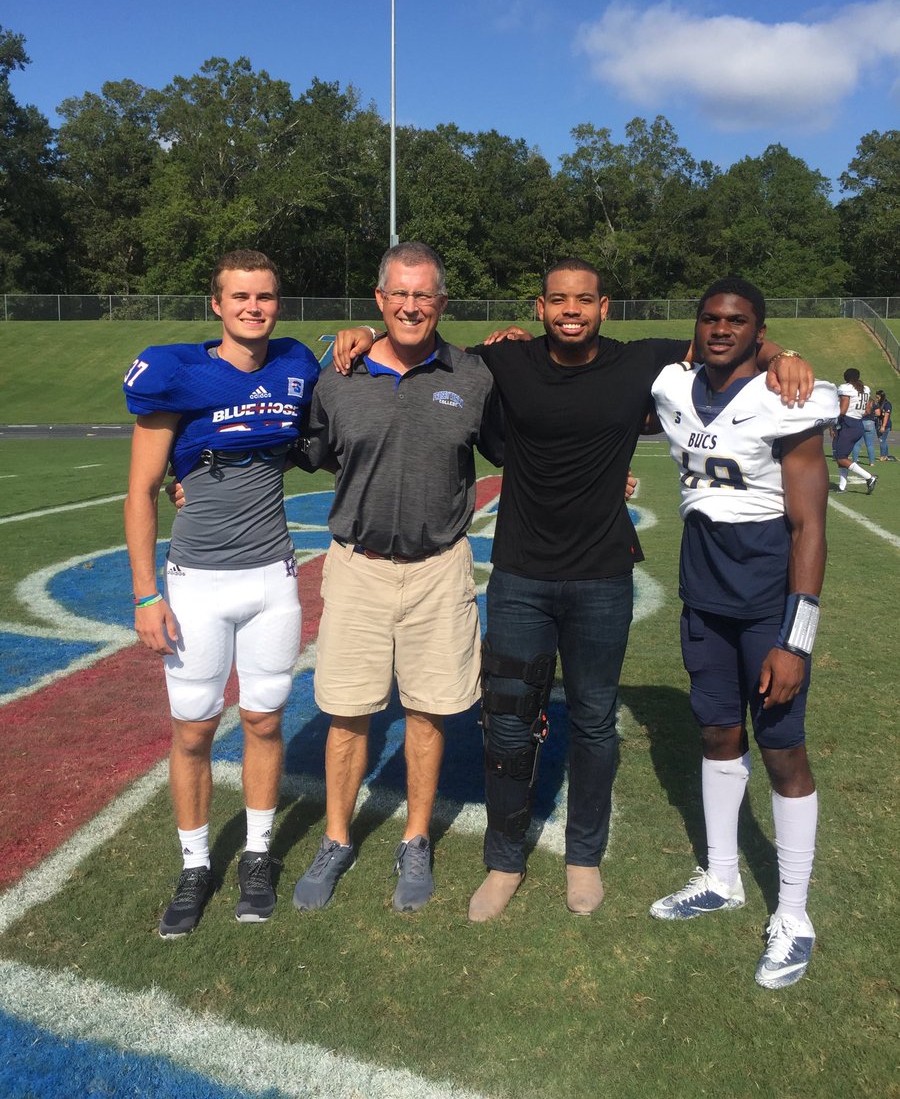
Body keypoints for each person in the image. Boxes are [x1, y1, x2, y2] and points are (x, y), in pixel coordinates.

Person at [335, 258, 813, 922]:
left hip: (602, 577)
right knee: (507, 724)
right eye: (558, 300)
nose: (571, 310)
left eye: (583, 300)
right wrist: (363, 331)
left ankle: (584, 857)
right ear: (540, 307)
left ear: (603, 307)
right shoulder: (507, 361)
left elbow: (725, 336)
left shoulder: (640, 361)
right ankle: (504, 862)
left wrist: (782, 353)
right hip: (520, 576)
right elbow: (420, 342)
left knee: (593, 723)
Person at [291, 241, 504, 914]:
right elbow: (293, 445)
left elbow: (526, 440)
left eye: (424, 295)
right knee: (347, 712)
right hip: (359, 568)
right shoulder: (339, 375)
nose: (411, 306)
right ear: (380, 300)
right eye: (399, 294)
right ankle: (336, 838)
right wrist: (188, 472)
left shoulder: (474, 375)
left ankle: (415, 838)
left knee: (428, 710)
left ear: (442, 302)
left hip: (439, 568)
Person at [648, 278, 838, 989]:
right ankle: (722, 878)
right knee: (717, 735)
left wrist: (796, 639)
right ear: (695, 325)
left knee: (784, 751)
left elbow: (810, 527)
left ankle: (794, 914)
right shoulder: (671, 385)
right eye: (710, 318)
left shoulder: (788, 399)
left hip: (767, 608)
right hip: (704, 599)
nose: (721, 329)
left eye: (737, 320)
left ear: (759, 330)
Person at [124, 250, 319, 937]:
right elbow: (142, 490)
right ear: (217, 304)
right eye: (240, 297)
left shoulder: (295, 364)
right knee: (195, 729)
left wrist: (356, 335)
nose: (253, 308)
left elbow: (337, 365)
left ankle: (258, 855)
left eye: (264, 296)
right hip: (198, 584)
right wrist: (145, 595)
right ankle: (195, 863)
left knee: (264, 720)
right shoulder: (178, 374)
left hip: (272, 579)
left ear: (278, 304)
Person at [832, 368, 877, 493]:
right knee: (842, 457)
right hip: (857, 423)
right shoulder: (864, 389)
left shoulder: (846, 388)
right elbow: (868, 408)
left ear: (846, 377)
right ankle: (842, 487)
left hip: (848, 423)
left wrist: (834, 422)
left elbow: (843, 409)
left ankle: (869, 477)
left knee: (840, 458)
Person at [873, 389, 893, 460]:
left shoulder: (887, 404)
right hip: (878, 424)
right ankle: (885, 455)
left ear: (882, 397)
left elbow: (886, 416)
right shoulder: (878, 404)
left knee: (882, 440)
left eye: (878, 397)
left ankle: (883, 455)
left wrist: (883, 426)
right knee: (882, 440)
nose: (877, 399)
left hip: (885, 425)